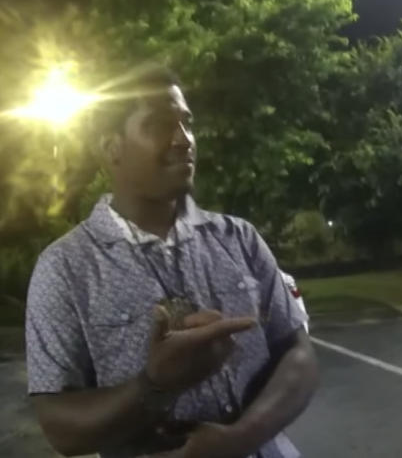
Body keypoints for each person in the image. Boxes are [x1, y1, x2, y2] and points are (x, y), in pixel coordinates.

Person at [25, 67, 320, 458]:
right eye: (162, 124)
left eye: (187, 123)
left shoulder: (240, 239)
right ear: (111, 147)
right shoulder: (64, 269)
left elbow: (299, 353)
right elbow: (60, 426)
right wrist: (155, 385)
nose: (185, 141)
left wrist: (241, 437)